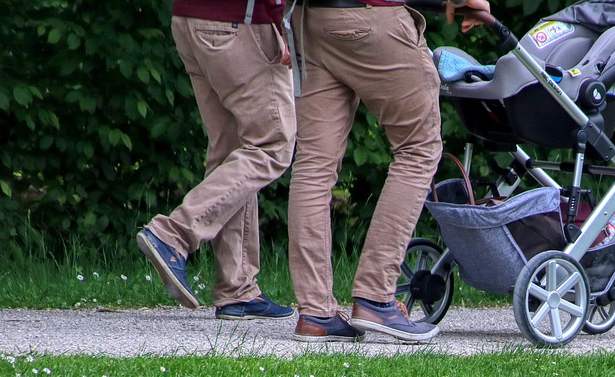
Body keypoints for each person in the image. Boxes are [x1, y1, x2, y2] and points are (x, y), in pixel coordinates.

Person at [286, 0, 490, 343]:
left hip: (311, 20)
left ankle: (316, 313)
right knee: (418, 149)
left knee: (313, 165)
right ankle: (376, 297)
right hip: (372, 18)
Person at [137, 0, 297, 321]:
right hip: (241, 23)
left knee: (231, 151)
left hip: (191, 19)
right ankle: (174, 233)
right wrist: (288, 25)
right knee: (271, 145)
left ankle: (238, 290)